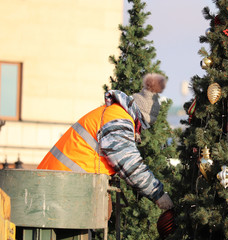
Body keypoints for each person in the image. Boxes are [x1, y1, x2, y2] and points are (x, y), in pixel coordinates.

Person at [37, 73, 174, 210]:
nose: (139, 132)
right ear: (139, 117)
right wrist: (158, 193)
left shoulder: (112, 113)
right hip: (59, 190)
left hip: (57, 185)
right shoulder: (117, 120)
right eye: (142, 126)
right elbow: (129, 163)